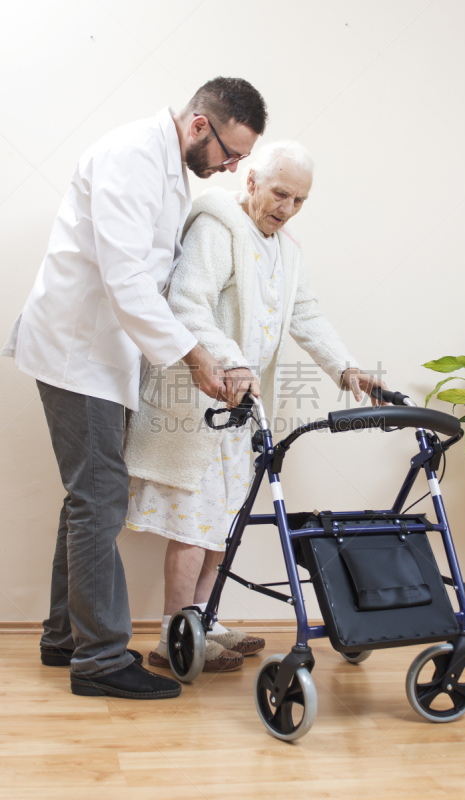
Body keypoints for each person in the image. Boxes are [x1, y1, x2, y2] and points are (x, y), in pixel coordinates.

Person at [1, 77, 268, 699]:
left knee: (87, 497)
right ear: (201, 124)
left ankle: (64, 636)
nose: (232, 166)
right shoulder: (130, 157)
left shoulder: (170, 169)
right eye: (231, 152)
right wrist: (194, 359)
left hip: (104, 355)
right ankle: (99, 661)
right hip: (77, 350)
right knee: (101, 498)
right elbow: (126, 280)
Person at [123, 141, 387, 673]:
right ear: (251, 183)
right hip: (197, 402)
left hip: (239, 410)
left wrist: (347, 368)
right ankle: (175, 636)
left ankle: (205, 619)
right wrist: (230, 360)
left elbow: (306, 315)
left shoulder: (286, 249)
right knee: (194, 524)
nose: (287, 208)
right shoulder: (217, 227)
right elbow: (186, 302)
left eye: (299, 200)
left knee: (224, 521)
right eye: (280, 193)